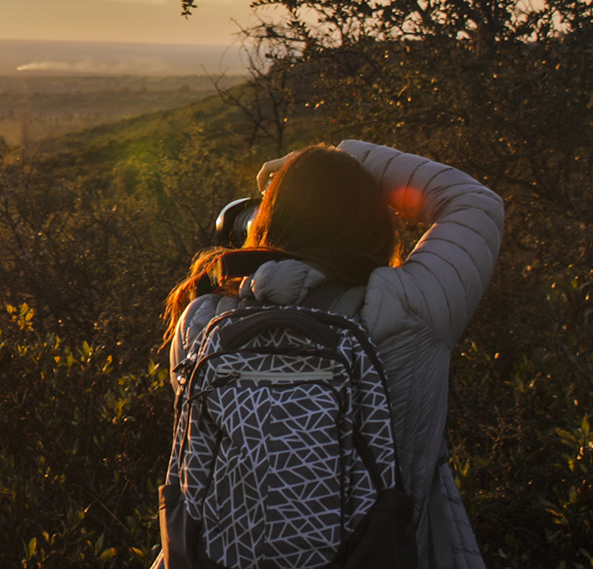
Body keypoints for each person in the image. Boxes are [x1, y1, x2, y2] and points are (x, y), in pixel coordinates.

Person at [158, 141, 504, 568]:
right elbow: (473, 203)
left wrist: (305, 173)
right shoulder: (410, 307)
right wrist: (348, 159)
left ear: (266, 219)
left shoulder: (204, 319)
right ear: (375, 223)